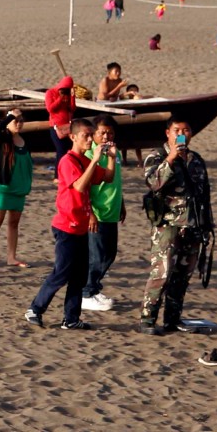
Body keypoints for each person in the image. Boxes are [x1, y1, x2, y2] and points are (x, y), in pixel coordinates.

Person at [24, 118, 115, 330]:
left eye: (92, 135)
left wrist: (110, 158)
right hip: (66, 226)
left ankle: (71, 318)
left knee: (79, 276)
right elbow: (80, 186)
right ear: (73, 137)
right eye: (86, 135)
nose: (90, 139)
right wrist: (95, 161)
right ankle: (35, 309)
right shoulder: (68, 161)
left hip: (81, 226)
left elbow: (108, 178)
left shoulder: (85, 160)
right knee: (62, 272)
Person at [138, 119, 212, 335]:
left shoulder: (196, 160)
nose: (182, 134)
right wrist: (171, 158)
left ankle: (172, 319)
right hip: (167, 225)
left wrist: (207, 225)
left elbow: (204, 194)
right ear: (168, 133)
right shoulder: (157, 156)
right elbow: (153, 183)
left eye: (186, 130)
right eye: (177, 130)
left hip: (193, 225)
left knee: (182, 275)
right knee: (162, 272)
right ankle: (147, 319)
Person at [82, 117, 125, 311]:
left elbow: (116, 181)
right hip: (97, 213)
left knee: (110, 254)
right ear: (94, 134)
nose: (106, 136)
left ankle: (94, 288)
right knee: (96, 256)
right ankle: (86, 293)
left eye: (110, 133)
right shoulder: (90, 155)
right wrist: (90, 213)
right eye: (102, 133)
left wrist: (121, 204)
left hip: (112, 211)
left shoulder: (115, 154)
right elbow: (85, 188)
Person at [0, 109, 33, 267]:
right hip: (3, 188)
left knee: (14, 223)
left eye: (20, 120)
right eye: (15, 120)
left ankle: (11, 257)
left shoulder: (24, 140)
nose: (18, 123)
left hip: (19, 189)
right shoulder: (3, 138)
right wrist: (10, 115)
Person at [45, 75, 75, 160]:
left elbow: (72, 108)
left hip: (67, 126)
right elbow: (50, 109)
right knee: (61, 151)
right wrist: (59, 99)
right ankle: (58, 172)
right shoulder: (50, 93)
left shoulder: (68, 94)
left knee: (68, 151)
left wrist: (72, 97)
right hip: (56, 127)